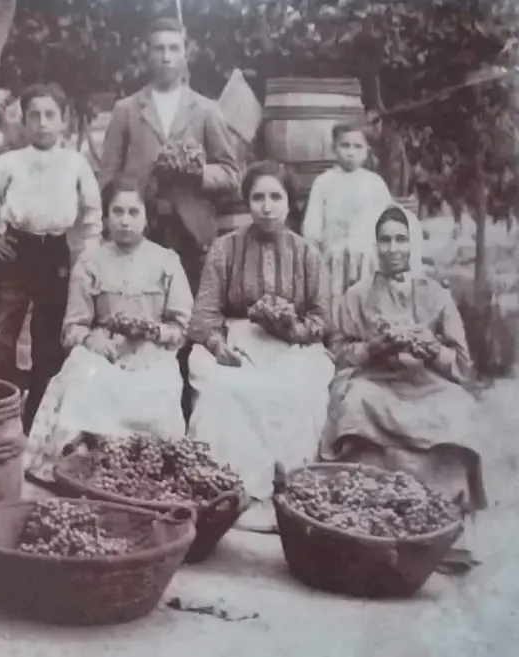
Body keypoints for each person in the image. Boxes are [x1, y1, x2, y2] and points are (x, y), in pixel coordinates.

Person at [319, 206, 486, 562]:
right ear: (375, 246)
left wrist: (429, 347)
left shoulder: (435, 294)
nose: (392, 248)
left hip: (426, 381)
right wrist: (372, 348)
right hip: (376, 379)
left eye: (400, 239)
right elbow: (338, 350)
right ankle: (369, 523)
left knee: (459, 409)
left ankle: (442, 529)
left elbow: (460, 362)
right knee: (355, 402)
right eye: (385, 240)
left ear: (411, 245)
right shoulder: (356, 295)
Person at [186, 161, 335, 528]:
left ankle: (286, 493)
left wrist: (293, 329)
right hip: (238, 342)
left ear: (289, 203)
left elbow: (321, 317)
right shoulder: (226, 248)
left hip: (292, 347)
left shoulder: (307, 254)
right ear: (247, 202)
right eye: (258, 198)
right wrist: (220, 347)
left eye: (275, 197)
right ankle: (232, 490)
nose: (266, 206)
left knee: (296, 391)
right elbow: (204, 314)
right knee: (226, 390)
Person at [24, 177, 194, 482]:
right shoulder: (90, 262)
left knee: (159, 387)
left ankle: (147, 468)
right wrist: (91, 339)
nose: (125, 221)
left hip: (153, 353)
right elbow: (72, 327)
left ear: (147, 217)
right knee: (81, 373)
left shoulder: (167, 262)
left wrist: (155, 333)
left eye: (133, 212)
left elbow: (182, 327)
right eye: (117, 212)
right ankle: (81, 459)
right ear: (105, 217)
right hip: (105, 351)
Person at [0, 82, 103, 433]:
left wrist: (86, 260)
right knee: (0, 337)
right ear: (24, 122)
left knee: (48, 342)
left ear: (64, 120)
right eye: (34, 116)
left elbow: (92, 216)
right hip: (16, 252)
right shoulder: (10, 163)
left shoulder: (76, 163)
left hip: (55, 256)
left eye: (50, 115)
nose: (42, 123)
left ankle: (36, 423)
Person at [99, 17, 240, 292]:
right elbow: (108, 176)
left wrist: (198, 171)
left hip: (191, 230)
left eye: (174, 49)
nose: (166, 57)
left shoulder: (205, 110)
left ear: (186, 55)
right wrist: (110, 223)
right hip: (140, 225)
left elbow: (231, 172)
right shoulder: (126, 110)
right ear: (147, 54)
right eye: (159, 49)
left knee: (189, 304)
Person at [301, 120, 423, 328]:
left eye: (357, 147)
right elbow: (313, 222)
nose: (351, 152)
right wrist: (313, 245)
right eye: (345, 145)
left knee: (368, 301)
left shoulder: (374, 182)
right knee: (338, 305)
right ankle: (338, 332)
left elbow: (389, 214)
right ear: (334, 149)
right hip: (336, 257)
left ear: (367, 152)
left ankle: (370, 329)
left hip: (368, 257)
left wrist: (409, 216)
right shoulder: (324, 182)